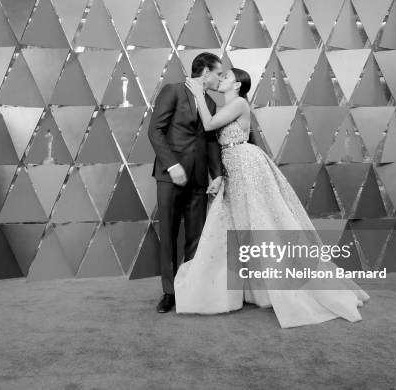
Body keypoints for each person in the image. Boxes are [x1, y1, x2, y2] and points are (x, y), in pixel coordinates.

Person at [174, 67, 370, 328]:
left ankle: (291, 286)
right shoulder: (229, 106)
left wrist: (198, 92)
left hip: (245, 164)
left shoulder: (240, 103)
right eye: (220, 76)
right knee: (240, 224)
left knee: (262, 221)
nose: (221, 80)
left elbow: (209, 124)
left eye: (226, 77)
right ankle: (254, 289)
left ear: (238, 85)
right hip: (234, 166)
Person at [148, 53, 225, 313]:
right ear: (205, 72)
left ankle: (188, 287)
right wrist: (171, 165)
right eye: (219, 73)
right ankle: (169, 293)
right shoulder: (173, 91)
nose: (220, 78)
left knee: (196, 235)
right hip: (170, 176)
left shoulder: (211, 104)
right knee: (168, 234)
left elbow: (211, 140)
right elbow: (155, 130)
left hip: (198, 178)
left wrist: (217, 174)